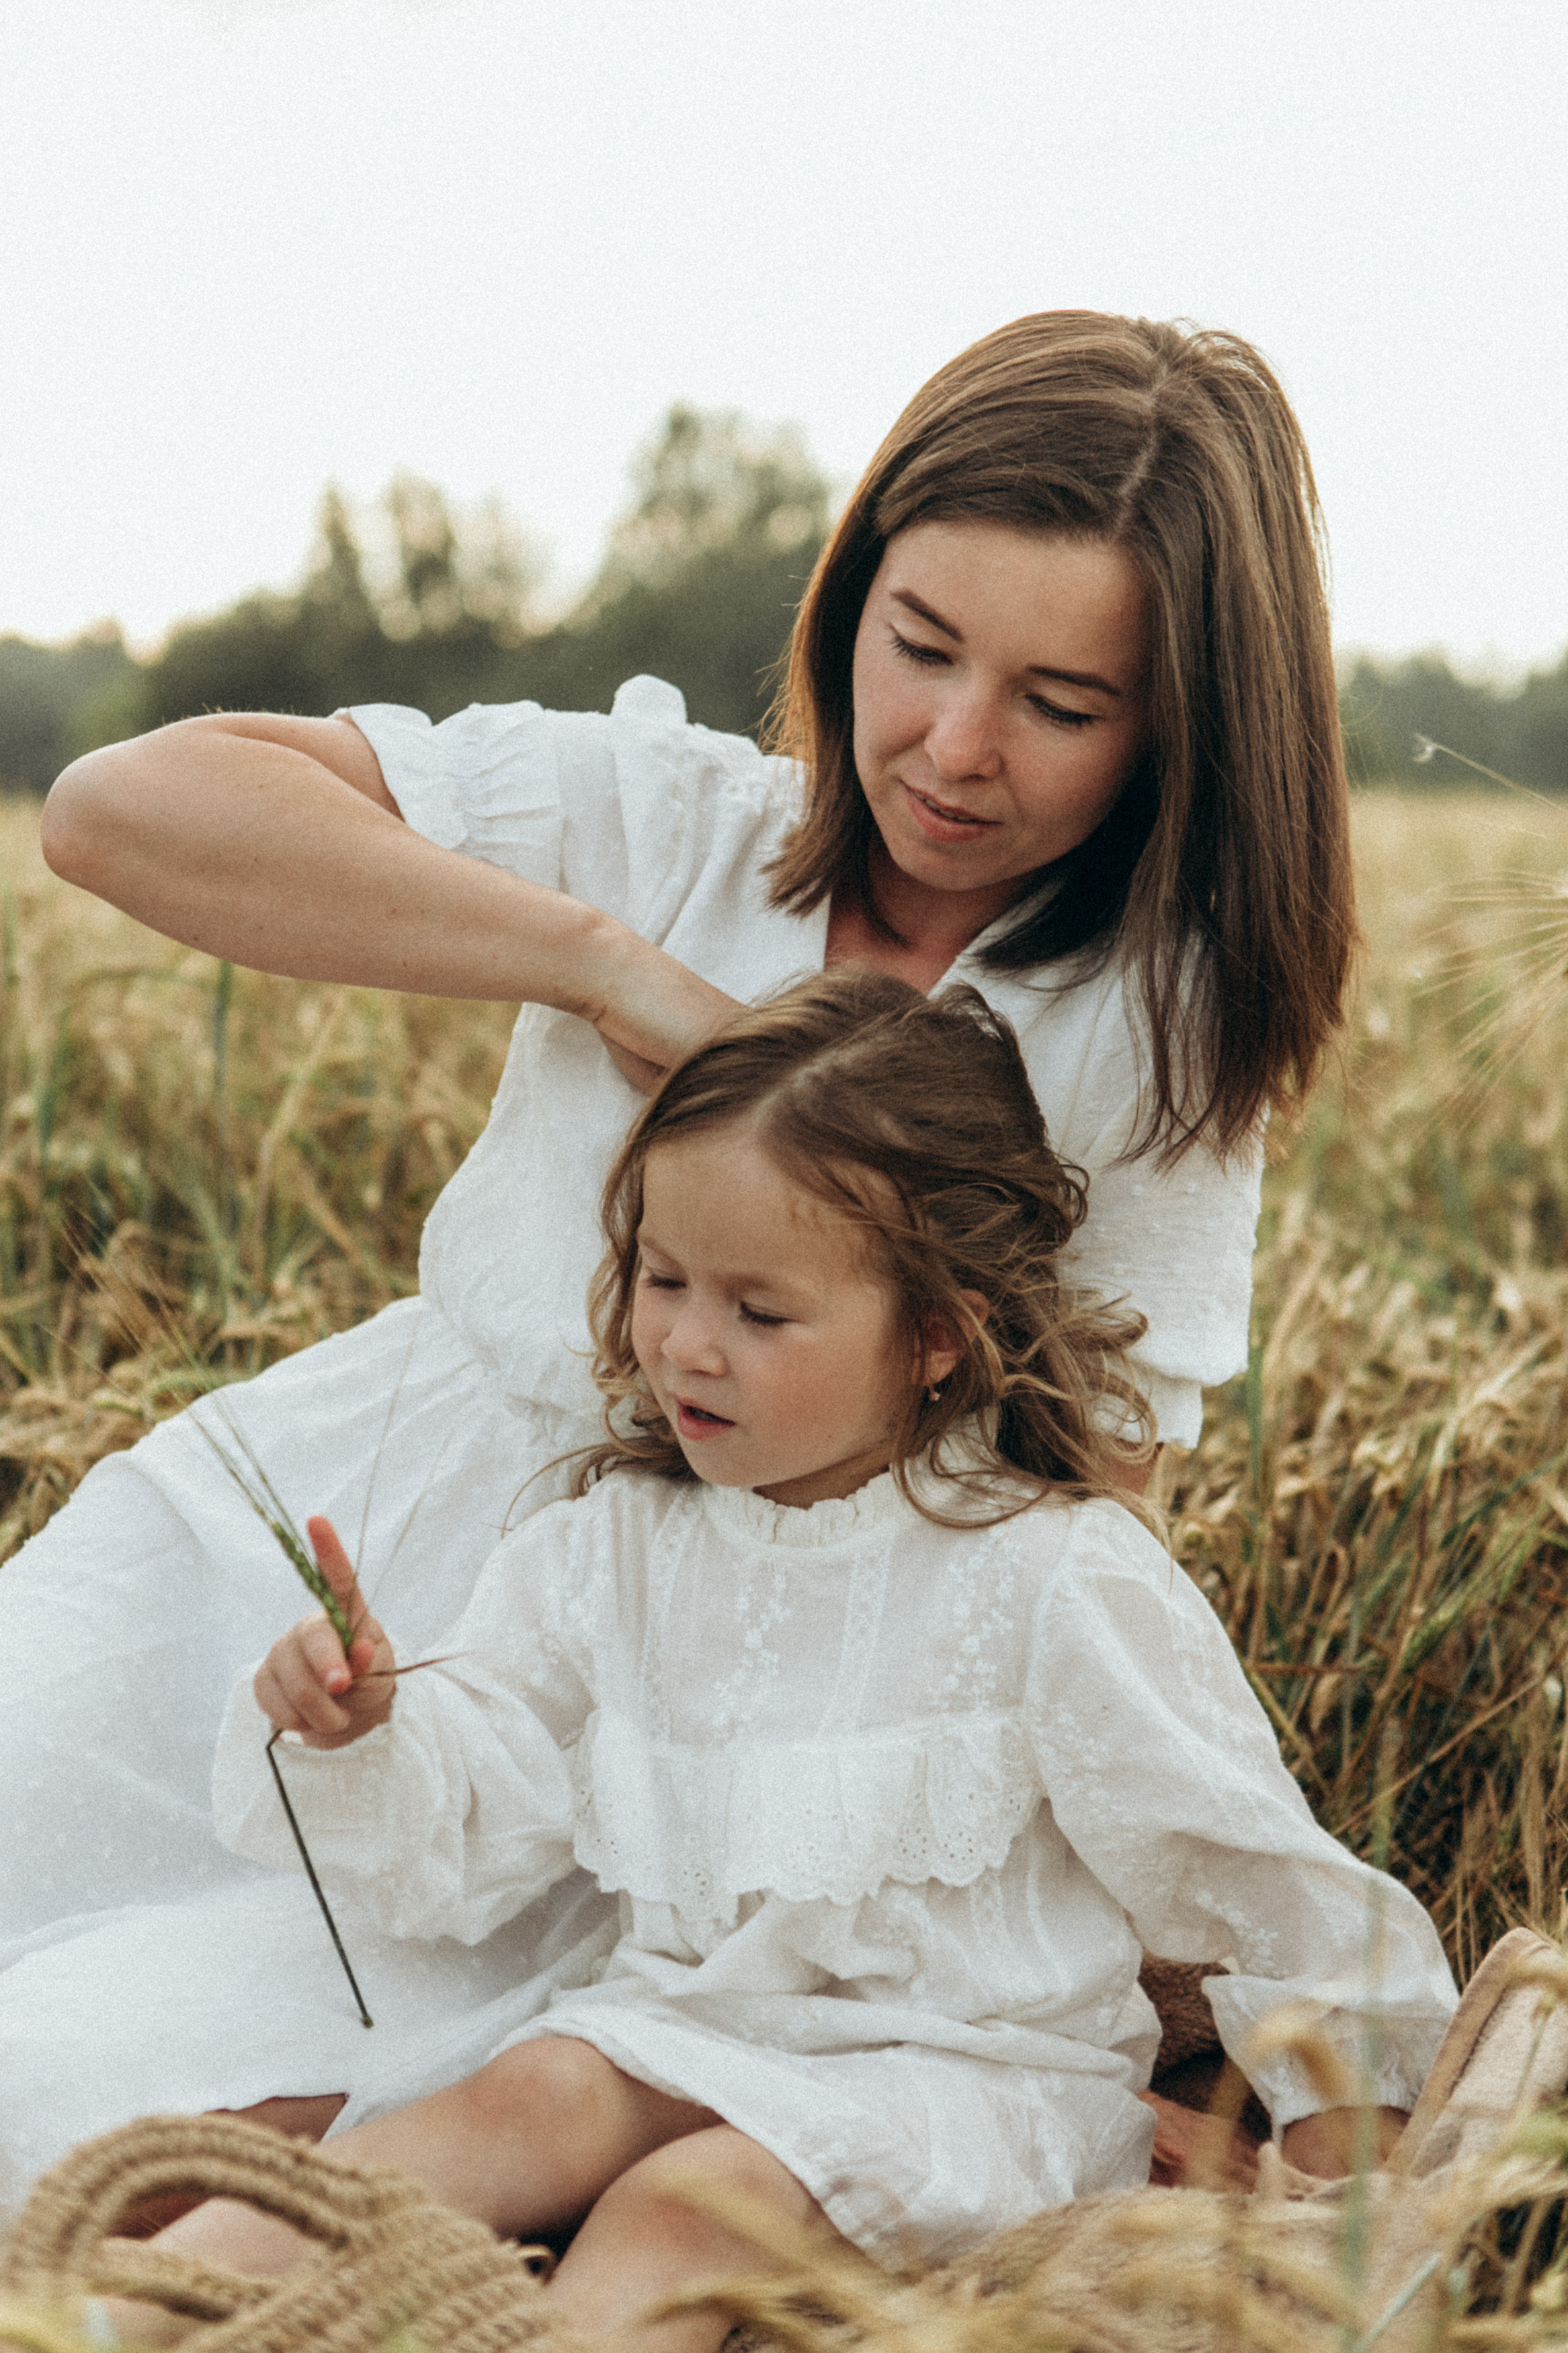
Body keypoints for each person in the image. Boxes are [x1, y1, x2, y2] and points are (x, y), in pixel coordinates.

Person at [2, 312, 1355, 2139]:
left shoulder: (1158, 1030)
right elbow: (114, 811)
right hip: (337, 1518)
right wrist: (601, 964)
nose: (954, 747)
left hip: (668, 1693)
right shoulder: (671, 817)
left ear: (1179, 725)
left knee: (104, 2104)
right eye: (918, 646)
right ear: (850, 596)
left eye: (1059, 705)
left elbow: (1078, 1503)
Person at [99, 975, 1453, 2353]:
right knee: (522, 2098)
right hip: (688, 2025)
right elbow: (492, 1784)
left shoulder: (1049, 1573)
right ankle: (88, 2317)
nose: (686, 1343)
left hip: (971, 2079)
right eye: (663, 1279)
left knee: (689, 2206)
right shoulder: (615, 1545)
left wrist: (1343, 2157)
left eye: (760, 1311)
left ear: (935, 1335)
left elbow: (1246, 1866)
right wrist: (366, 1725)